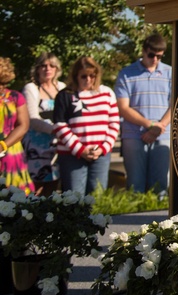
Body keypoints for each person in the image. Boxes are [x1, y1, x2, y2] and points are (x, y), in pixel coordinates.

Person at [114, 34, 172, 193]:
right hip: (134, 135)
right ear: (143, 51)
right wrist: (150, 125)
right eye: (151, 55)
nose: (155, 59)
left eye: (159, 56)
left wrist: (158, 128)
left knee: (161, 186)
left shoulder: (170, 73)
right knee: (135, 184)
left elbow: (175, 104)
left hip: (163, 135)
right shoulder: (126, 73)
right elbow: (123, 108)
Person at [53, 57, 120, 194]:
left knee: (97, 196)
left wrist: (103, 148)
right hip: (72, 155)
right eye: (84, 76)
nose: (88, 80)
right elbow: (59, 125)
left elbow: (114, 123)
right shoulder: (65, 95)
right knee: (73, 198)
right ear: (76, 76)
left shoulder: (107, 93)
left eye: (92, 76)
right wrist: (80, 150)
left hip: (100, 154)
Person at [22, 52, 65, 190]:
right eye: (43, 66)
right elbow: (33, 119)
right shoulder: (31, 88)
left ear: (57, 69)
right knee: (37, 188)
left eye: (52, 66)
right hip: (37, 147)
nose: (48, 69)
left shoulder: (63, 87)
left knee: (55, 186)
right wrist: (58, 131)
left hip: (61, 144)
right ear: (37, 69)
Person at [0, 56, 34, 194]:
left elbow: (23, 125)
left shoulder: (14, 97)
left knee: (14, 200)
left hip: (10, 154)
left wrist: (2, 145)